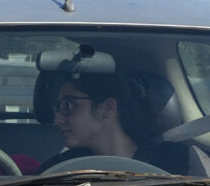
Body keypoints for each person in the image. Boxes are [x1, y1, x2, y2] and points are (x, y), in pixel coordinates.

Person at [46, 71, 190, 173]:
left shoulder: (179, 160)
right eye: (58, 108)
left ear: (108, 108)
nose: (57, 119)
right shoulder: (60, 169)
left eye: (69, 105)